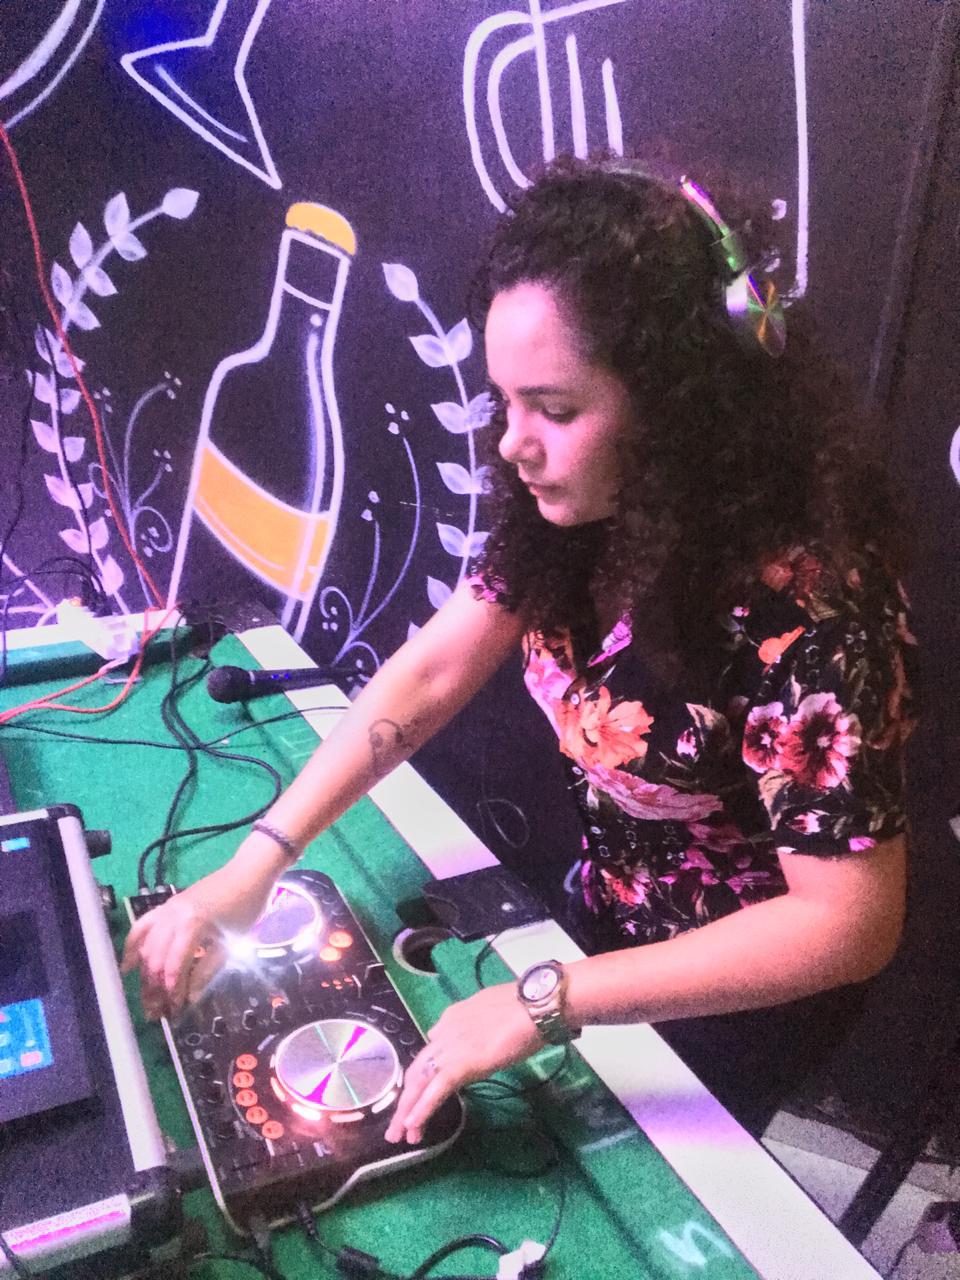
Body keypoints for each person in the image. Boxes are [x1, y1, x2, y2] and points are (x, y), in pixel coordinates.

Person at [123, 155, 917, 1141]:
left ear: (679, 408)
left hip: (742, 994)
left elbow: (845, 924)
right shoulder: (576, 513)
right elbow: (434, 669)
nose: (512, 442)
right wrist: (257, 863)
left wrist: (547, 998)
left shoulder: (815, 606)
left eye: (556, 409)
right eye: (506, 401)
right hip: (605, 924)